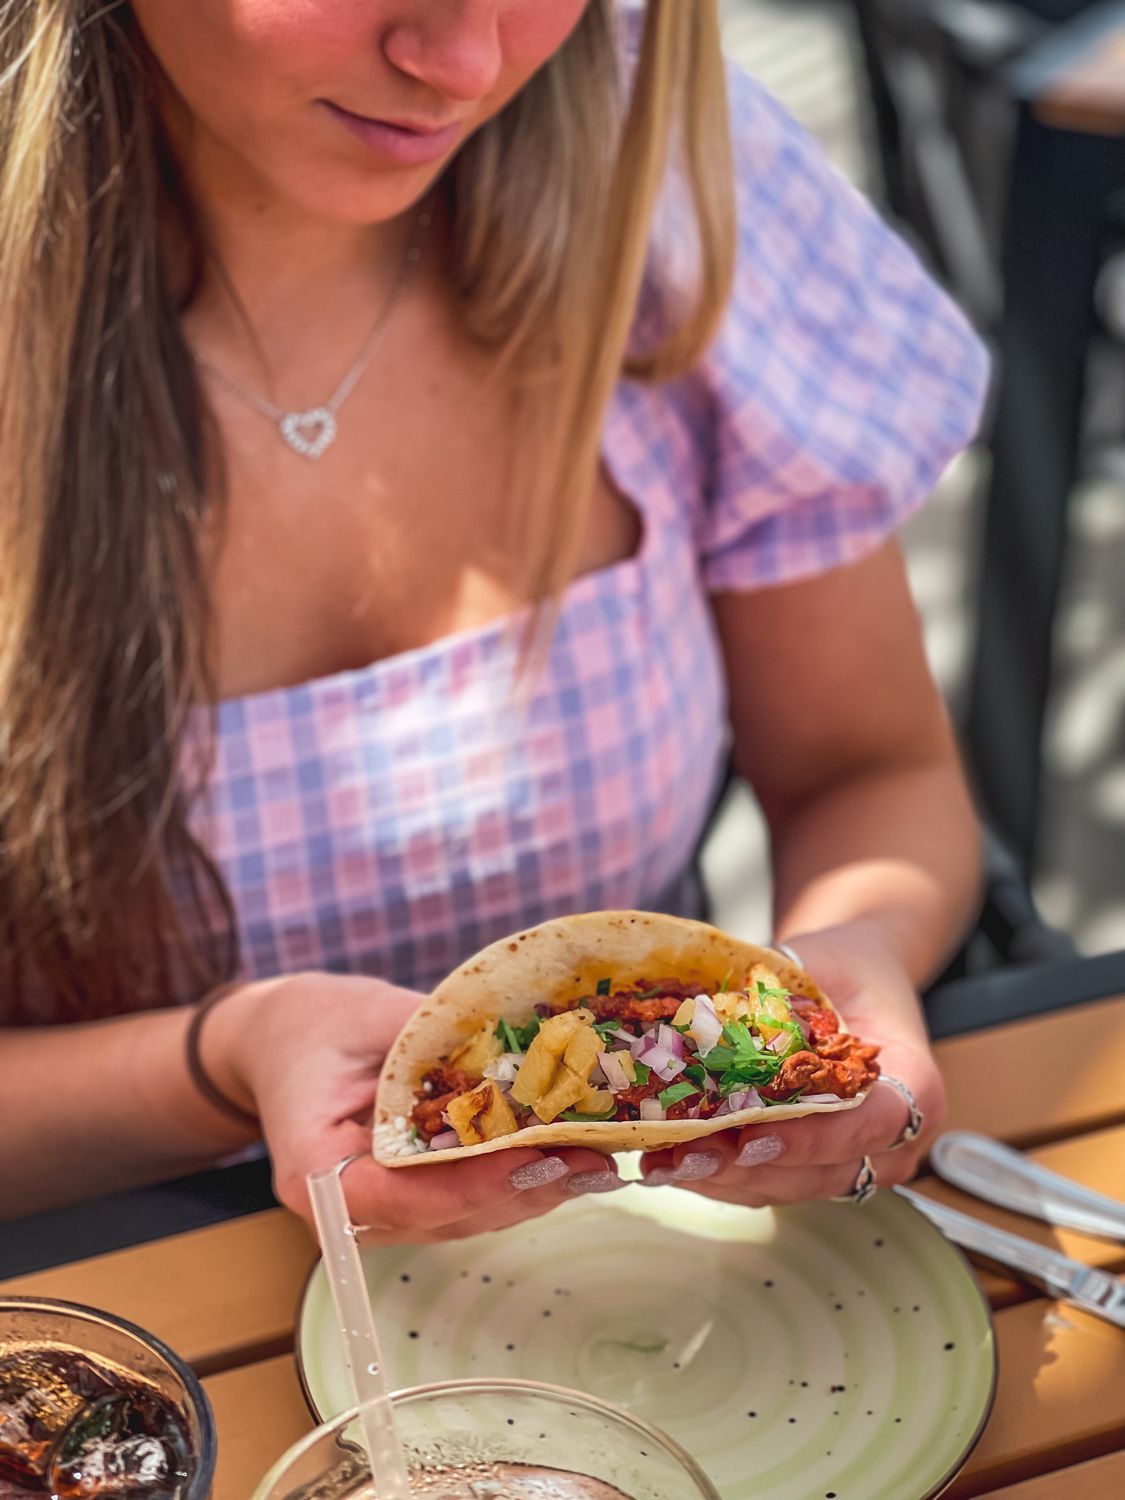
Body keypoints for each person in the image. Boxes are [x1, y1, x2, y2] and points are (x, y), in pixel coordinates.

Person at [0, 0, 988, 1238]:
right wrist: (216, 1063)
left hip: (659, 1300)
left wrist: (857, 951)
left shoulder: (652, 159)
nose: (465, 64)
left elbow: (870, 768)